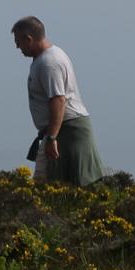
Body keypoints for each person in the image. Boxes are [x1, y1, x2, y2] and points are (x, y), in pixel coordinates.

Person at [12, 16, 102, 187]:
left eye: (18, 41)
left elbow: (58, 100)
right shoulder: (44, 58)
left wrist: (52, 137)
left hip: (67, 130)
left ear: (28, 39)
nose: (17, 46)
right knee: (47, 184)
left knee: (68, 186)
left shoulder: (49, 62)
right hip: (59, 130)